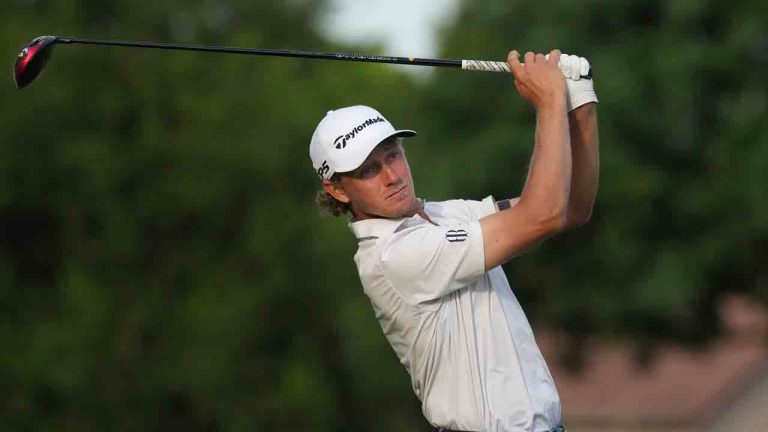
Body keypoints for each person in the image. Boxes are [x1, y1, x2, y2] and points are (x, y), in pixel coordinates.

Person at [308, 50, 599, 432]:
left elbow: (571, 208)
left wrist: (580, 101)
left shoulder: (449, 215)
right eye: (369, 170)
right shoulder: (392, 255)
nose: (392, 176)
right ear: (337, 190)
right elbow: (540, 215)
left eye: (393, 155)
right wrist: (549, 101)